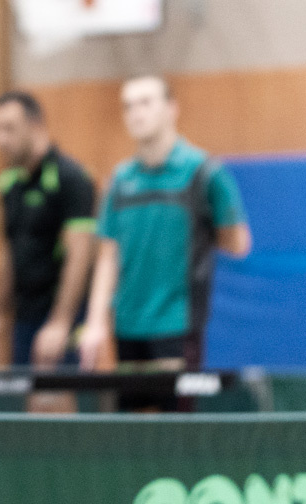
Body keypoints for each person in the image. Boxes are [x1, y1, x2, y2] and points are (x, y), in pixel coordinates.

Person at [79, 76, 252, 410]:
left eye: (145, 102)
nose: (135, 113)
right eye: (128, 106)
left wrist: (209, 227)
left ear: (172, 109)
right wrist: (96, 322)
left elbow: (238, 243)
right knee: (132, 426)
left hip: (177, 323)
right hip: (127, 324)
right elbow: (108, 255)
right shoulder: (120, 180)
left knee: (173, 430)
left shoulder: (203, 173)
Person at [0, 91, 97, 369]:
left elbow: (80, 255)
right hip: (24, 314)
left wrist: (60, 322)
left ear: (35, 126)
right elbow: (10, 250)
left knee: (59, 392)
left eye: (8, 129)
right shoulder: (9, 183)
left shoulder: (71, 178)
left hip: (63, 315)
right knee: (22, 390)